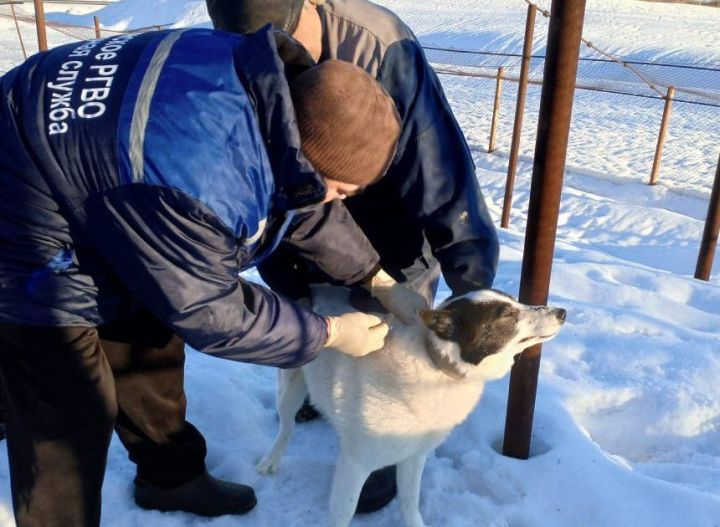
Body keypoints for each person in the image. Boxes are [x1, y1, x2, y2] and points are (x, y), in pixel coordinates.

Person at [0, 26, 406, 526]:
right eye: (343, 189)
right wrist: (328, 334)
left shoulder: (272, 92)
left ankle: (170, 479)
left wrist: (373, 275)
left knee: (147, 333)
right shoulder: (200, 178)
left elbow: (303, 198)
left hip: (96, 177)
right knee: (66, 403)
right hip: (19, 212)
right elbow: (212, 311)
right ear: (310, 158)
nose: (343, 199)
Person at [205, 0, 501, 513]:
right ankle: (322, 393)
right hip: (297, 217)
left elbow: (440, 171)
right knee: (317, 325)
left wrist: (467, 288)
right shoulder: (239, 65)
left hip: (390, 218)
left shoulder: (383, 47)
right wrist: (317, 326)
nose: (281, 57)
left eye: (289, 39)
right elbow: (211, 299)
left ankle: (385, 450)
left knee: (395, 342)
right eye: (264, 49)